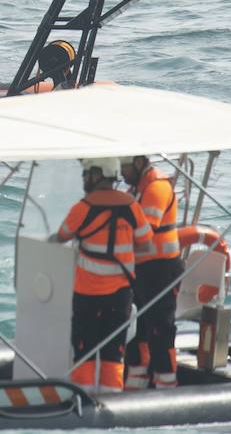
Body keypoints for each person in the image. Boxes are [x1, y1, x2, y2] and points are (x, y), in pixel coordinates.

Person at [53, 158, 154, 393]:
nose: (84, 179)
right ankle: (112, 403)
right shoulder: (131, 206)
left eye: (87, 174)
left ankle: (83, 404)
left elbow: (61, 236)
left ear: (96, 175)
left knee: (84, 351)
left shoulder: (83, 207)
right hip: (120, 297)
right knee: (113, 354)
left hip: (87, 295)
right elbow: (147, 244)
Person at [120, 155, 184, 390]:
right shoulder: (136, 190)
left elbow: (144, 231)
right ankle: (137, 379)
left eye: (124, 166)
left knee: (160, 327)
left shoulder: (157, 187)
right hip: (140, 269)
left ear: (138, 163)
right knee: (137, 328)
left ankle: (166, 381)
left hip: (162, 270)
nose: (121, 172)